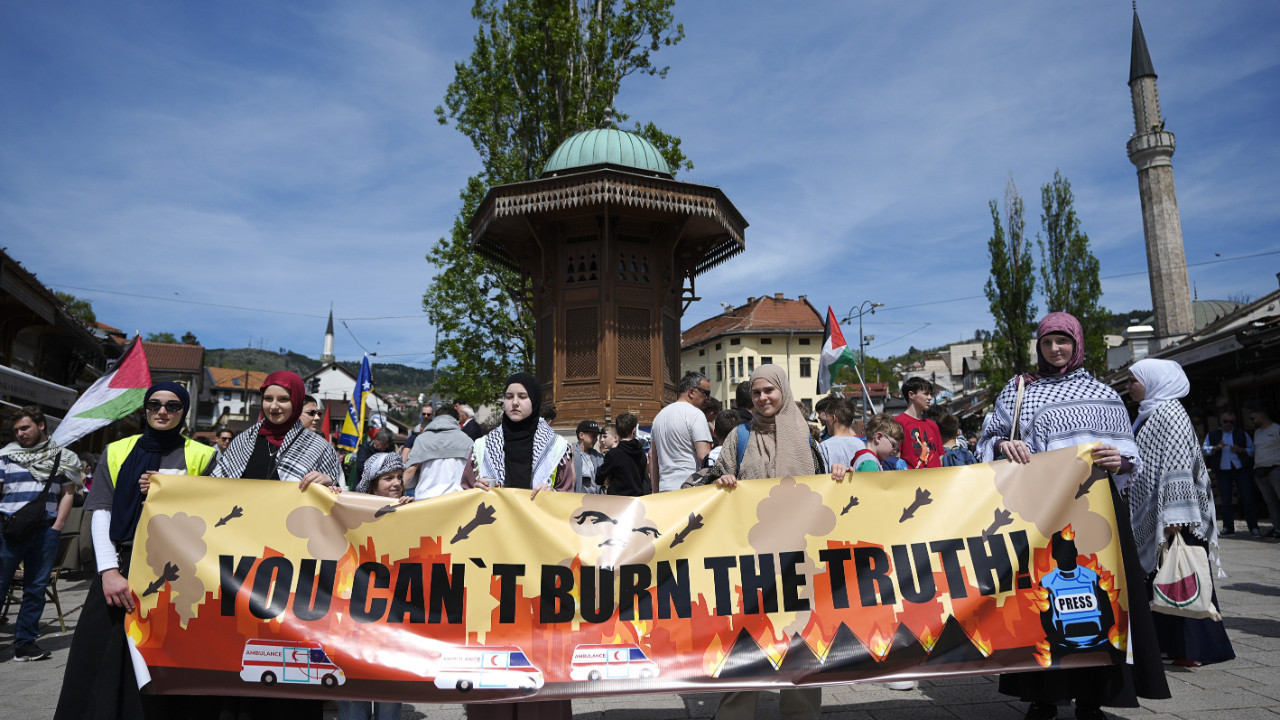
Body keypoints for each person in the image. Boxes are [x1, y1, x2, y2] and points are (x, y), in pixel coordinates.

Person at [978, 312, 1168, 720]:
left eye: (1063, 341)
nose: (1055, 349)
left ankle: (1093, 697)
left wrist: (1120, 458)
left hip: (1098, 511)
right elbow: (987, 438)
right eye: (1047, 342)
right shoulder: (1020, 390)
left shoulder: (1104, 393)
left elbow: (1129, 451)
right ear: (1039, 346)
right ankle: (1042, 696)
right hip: (1041, 511)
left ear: (1077, 343)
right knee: (1042, 599)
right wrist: (1003, 446)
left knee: (1100, 598)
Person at [54, 383, 214, 719]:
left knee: (164, 664)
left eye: (172, 406)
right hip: (121, 570)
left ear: (183, 412)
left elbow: (214, 511)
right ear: (144, 408)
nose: (162, 411)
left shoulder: (203, 455)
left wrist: (171, 489)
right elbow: (101, 511)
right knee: (102, 659)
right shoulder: (116, 451)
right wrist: (109, 572)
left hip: (177, 574)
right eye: (154, 404)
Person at [211, 371, 339, 717]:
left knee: (289, 652)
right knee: (242, 648)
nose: (274, 406)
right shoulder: (241, 442)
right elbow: (212, 492)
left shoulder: (320, 448)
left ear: (296, 403)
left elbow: (340, 504)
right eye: (268, 399)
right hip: (242, 565)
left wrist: (328, 482)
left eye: (283, 399)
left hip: (293, 570)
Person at [711, 365, 825, 720]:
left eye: (769, 391)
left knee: (801, 644)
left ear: (783, 390)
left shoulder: (807, 438)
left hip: (799, 560)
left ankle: (800, 714)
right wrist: (721, 481)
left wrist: (841, 477)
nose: (762, 398)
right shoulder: (738, 437)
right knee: (745, 642)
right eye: (756, 392)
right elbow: (705, 487)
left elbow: (827, 492)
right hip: (751, 561)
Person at [461, 373, 573, 720]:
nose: (514, 402)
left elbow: (573, 503)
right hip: (493, 567)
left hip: (541, 564)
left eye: (522, 396)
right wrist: (473, 491)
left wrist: (555, 500)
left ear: (534, 401)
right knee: (496, 642)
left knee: (541, 644)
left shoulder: (558, 449)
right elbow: (460, 501)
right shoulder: (481, 448)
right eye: (508, 396)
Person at [1125, 358, 1234, 667]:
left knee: (1182, 580)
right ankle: (1169, 644)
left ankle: (1194, 649)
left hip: (1176, 517)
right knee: (1161, 582)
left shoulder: (1169, 413)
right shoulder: (1149, 413)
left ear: (1154, 381)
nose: (1129, 386)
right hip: (1162, 515)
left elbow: (1177, 468)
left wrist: (1173, 517)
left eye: (1134, 380)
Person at [0, 406, 83, 662]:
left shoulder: (64, 457)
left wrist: (58, 525)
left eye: (25, 428)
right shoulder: (6, 455)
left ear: (41, 425)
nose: (20, 434)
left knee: (36, 589)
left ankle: (25, 644)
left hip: (45, 530)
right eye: (16, 430)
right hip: (9, 529)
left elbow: (68, 492)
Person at [336, 454, 410, 720]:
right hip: (353, 614)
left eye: (399, 478)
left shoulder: (409, 510)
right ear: (371, 483)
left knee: (388, 685)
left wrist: (413, 515)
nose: (397, 483)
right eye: (388, 478)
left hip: (391, 614)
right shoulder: (351, 510)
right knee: (354, 684)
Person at [649, 371, 713, 493]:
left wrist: (655, 491)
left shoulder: (659, 416)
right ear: (692, 392)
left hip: (665, 488)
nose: (708, 399)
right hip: (689, 488)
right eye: (706, 394)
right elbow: (703, 455)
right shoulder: (695, 414)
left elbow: (652, 456)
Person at [404, 402, 474, 499]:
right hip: (457, 501)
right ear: (457, 421)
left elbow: (410, 471)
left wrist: (398, 492)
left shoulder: (422, 439)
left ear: (435, 419)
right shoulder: (467, 441)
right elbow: (473, 475)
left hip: (425, 501)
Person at [1202, 411, 1257, 536]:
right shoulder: (1213, 434)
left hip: (1241, 469)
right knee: (1226, 500)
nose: (1228, 424)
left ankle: (1253, 527)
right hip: (1223, 471)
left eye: (1231, 422)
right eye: (1225, 421)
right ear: (1221, 422)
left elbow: (1253, 450)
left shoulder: (1241, 434)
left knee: (1247, 498)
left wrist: (1241, 450)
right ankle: (1228, 527)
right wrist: (1215, 448)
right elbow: (1204, 449)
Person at [831, 413, 903, 476]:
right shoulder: (869, 462)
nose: (895, 451)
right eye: (894, 445)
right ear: (878, 437)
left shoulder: (867, 458)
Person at [895, 377, 942, 469]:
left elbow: (940, 456)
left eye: (930, 394)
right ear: (911, 395)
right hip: (912, 480)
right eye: (926, 394)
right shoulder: (898, 423)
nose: (930, 397)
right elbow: (896, 457)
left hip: (935, 479)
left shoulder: (932, 425)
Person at [599, 413, 647, 497]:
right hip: (636, 500)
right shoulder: (641, 452)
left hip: (617, 501)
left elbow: (599, 477)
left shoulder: (613, 454)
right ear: (634, 431)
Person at [1250, 405, 1280, 538]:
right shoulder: (1257, 433)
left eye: (1253, 418)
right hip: (1260, 470)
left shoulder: (1276, 429)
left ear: (1262, 415)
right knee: (1270, 501)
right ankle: (1277, 528)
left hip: (1275, 468)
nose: (1251, 421)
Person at [818, 396, 867, 470]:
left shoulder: (824, 446)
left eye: (827, 416)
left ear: (834, 418)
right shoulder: (862, 444)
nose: (826, 421)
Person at [573, 420, 605, 493]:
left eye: (597, 436)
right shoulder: (571, 454)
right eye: (593, 436)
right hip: (578, 500)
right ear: (581, 435)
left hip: (597, 500)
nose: (596, 439)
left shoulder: (598, 457)